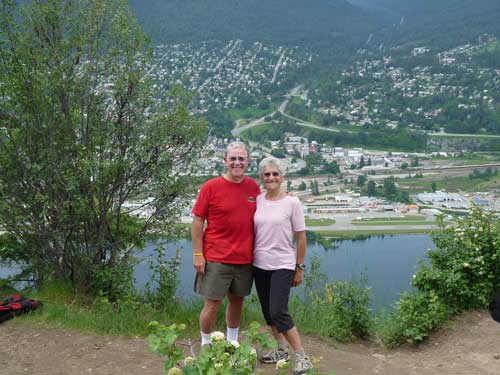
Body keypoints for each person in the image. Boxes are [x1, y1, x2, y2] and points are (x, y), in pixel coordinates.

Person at [191, 141, 260, 346]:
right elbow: (197, 220)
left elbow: (268, 206)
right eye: (233, 159)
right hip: (216, 257)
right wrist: (197, 254)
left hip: (244, 258)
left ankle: (232, 341)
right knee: (212, 305)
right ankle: (205, 342)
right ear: (225, 160)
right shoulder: (211, 187)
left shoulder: (252, 187)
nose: (237, 163)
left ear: (248, 162)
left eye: (241, 159)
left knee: (237, 301)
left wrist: (287, 198)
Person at [253, 157, 313, 374]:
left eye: (275, 174)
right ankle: (281, 349)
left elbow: (301, 238)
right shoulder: (258, 200)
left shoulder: (292, 203)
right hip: (259, 264)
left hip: (283, 265)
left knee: (278, 310)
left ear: (282, 177)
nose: (271, 178)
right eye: (267, 174)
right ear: (262, 178)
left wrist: (299, 267)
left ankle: (301, 356)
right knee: (268, 312)